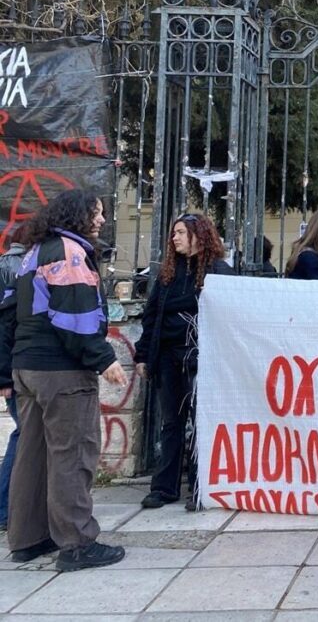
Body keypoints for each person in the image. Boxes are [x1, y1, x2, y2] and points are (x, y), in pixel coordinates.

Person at [0, 190, 127, 571]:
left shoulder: (33, 253)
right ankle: (76, 543)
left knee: (32, 454)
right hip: (63, 373)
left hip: (28, 368)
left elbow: (8, 315)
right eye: (97, 212)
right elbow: (75, 316)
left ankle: (27, 539)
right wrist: (104, 359)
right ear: (78, 215)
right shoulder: (70, 254)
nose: (102, 219)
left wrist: (5, 370)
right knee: (72, 453)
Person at [134, 213, 234, 511]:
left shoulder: (218, 271)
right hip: (167, 356)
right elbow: (151, 315)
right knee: (172, 422)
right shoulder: (167, 274)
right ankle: (164, 488)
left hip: (202, 356)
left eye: (180, 232)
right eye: (173, 232)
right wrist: (141, 354)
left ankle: (200, 486)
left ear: (198, 235)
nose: (174, 238)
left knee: (200, 419)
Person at [0, 223, 31, 533]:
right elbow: (5, 327)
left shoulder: (7, 264)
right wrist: (4, 378)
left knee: (23, 434)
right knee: (24, 435)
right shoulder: (18, 268)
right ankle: (5, 508)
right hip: (14, 368)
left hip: (11, 368)